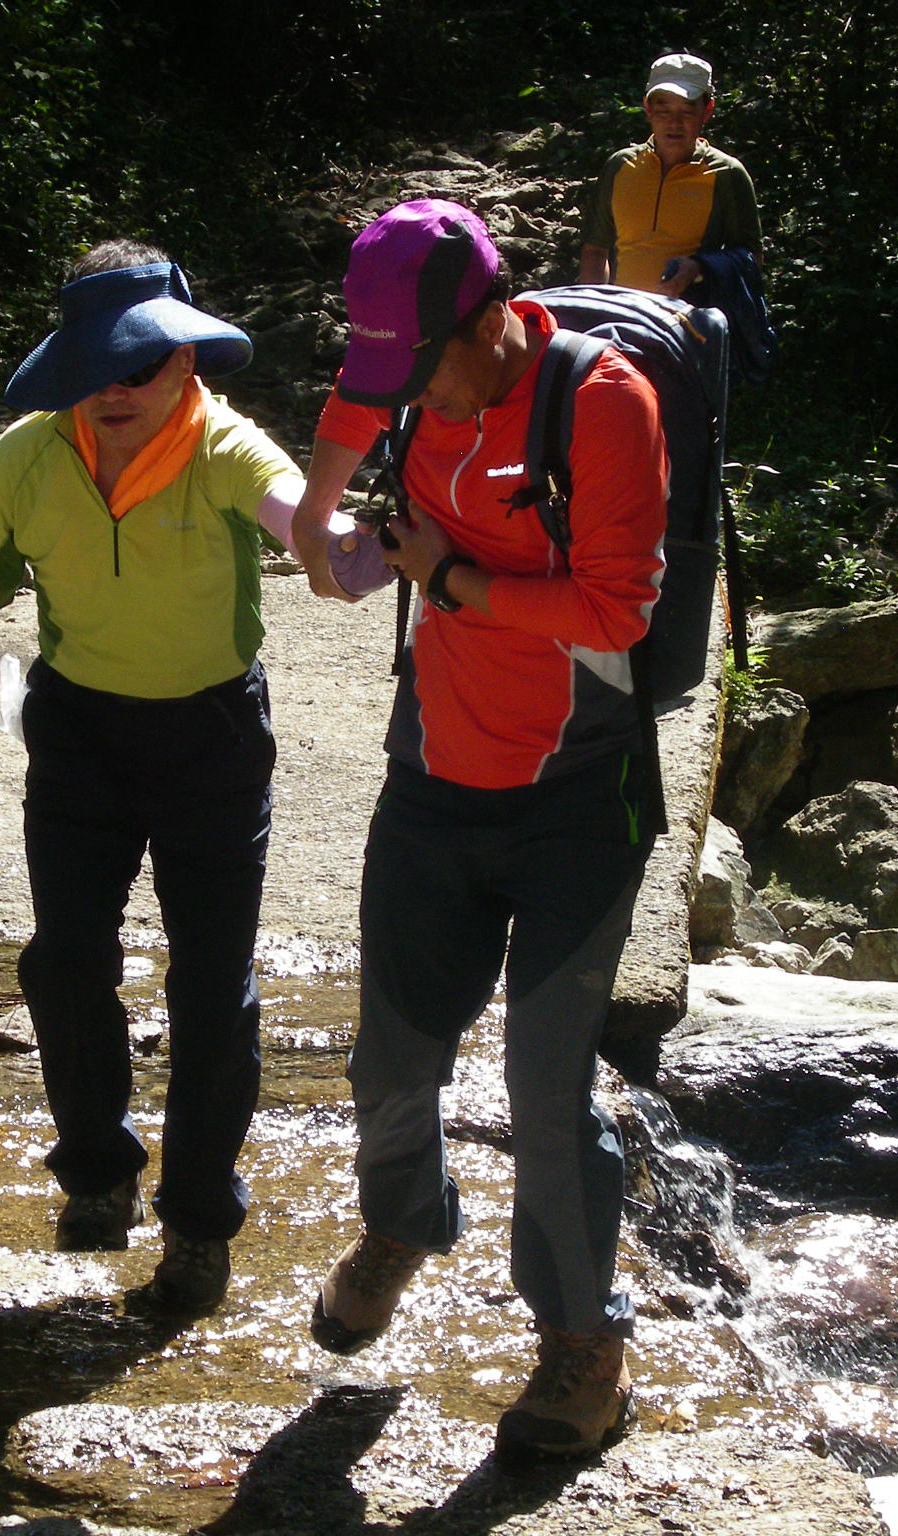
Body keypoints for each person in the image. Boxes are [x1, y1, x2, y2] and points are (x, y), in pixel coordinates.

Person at [289, 200, 668, 1460]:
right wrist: (317, 512)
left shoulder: (600, 405)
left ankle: (581, 1347)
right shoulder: (407, 375)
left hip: (580, 797)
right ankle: (404, 1224)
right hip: (434, 779)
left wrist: (444, 579)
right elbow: (351, 413)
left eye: (425, 371)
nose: (417, 403)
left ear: (489, 319)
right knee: (391, 1056)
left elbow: (615, 615)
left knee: (545, 1086)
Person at [0, 241, 334, 1316]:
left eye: (140, 367)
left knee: (211, 988)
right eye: (97, 367)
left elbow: (302, 525)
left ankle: (196, 1225)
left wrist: (371, 544)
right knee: (67, 962)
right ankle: (96, 1179)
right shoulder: (25, 459)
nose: (116, 389)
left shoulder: (224, 445)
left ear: (185, 365)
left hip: (212, 739)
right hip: (80, 730)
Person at [577, 52, 759, 301]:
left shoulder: (726, 173)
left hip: (691, 324)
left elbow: (752, 259)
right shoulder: (620, 166)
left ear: (707, 110)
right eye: (663, 109)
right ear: (648, 108)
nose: (674, 122)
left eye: (687, 110)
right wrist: (592, 309)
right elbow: (596, 250)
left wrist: (699, 267)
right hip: (623, 317)